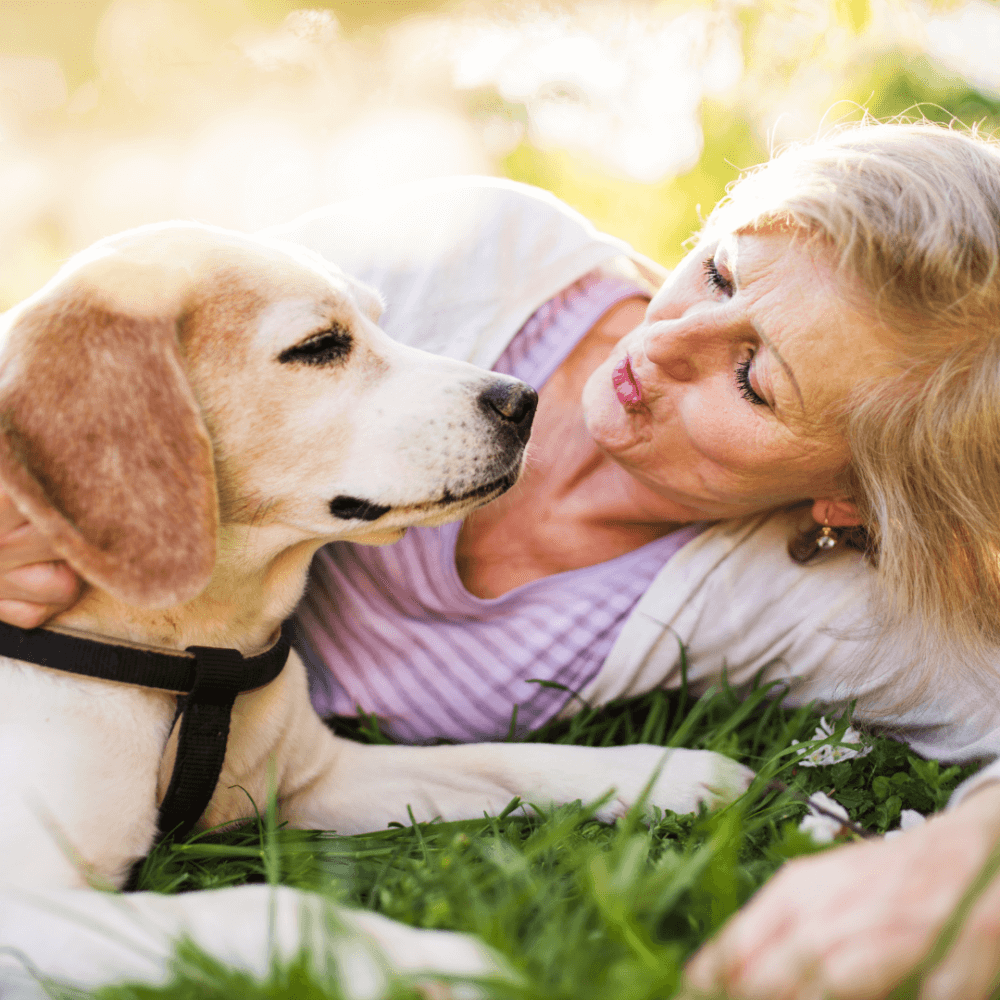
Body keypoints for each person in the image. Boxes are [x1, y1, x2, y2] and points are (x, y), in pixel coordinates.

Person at [4, 120, 1000, 999]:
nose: (665, 340)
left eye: (752, 376)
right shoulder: (468, 256)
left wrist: (971, 871)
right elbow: (90, 359)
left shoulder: (818, 598)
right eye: (719, 271)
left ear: (847, 498)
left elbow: (309, 783)